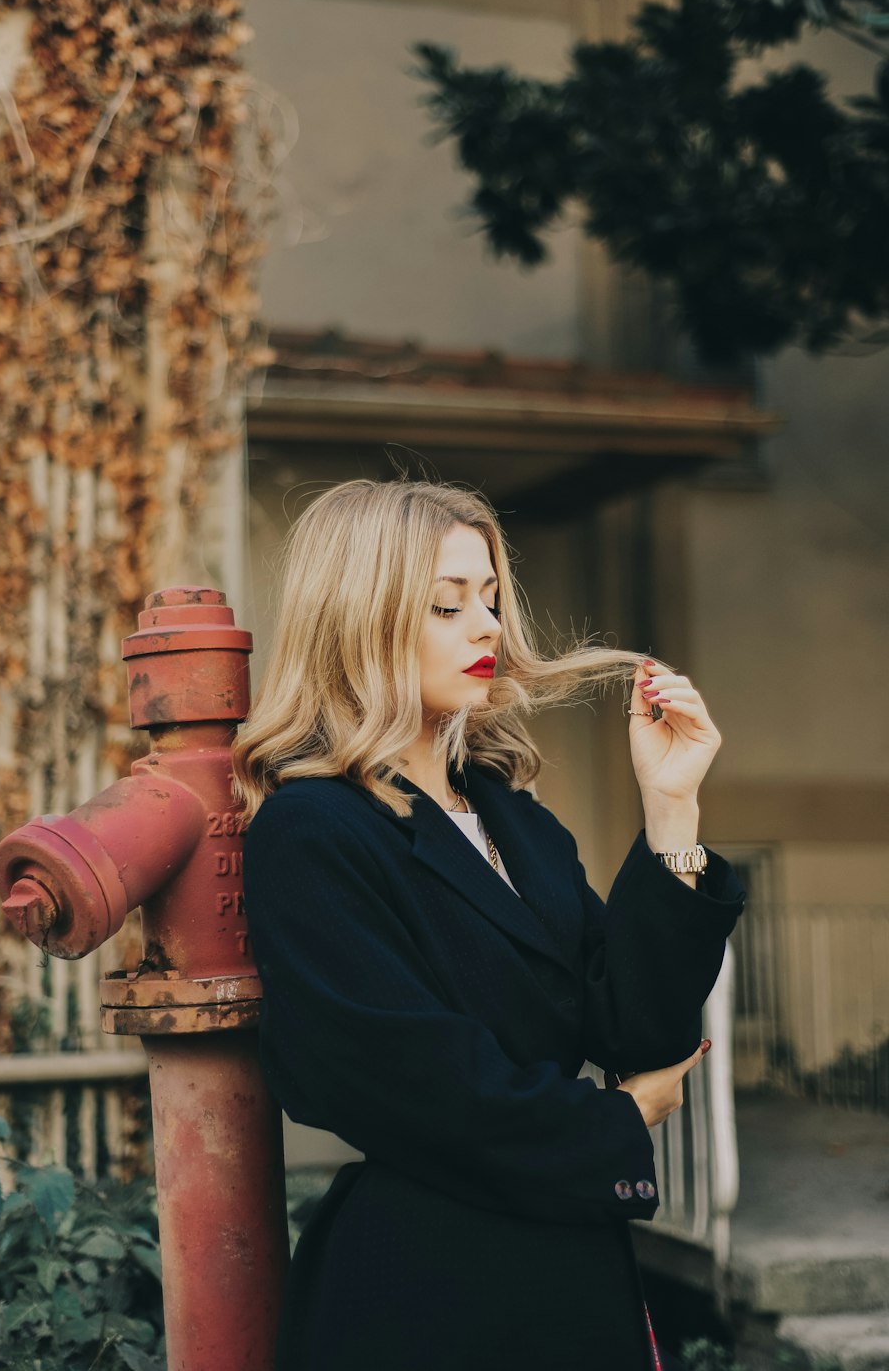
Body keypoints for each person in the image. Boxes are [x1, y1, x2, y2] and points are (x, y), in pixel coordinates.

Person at [233, 478, 746, 1371]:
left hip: (571, 1270)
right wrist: (615, 1119)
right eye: (447, 603)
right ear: (360, 620)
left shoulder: (510, 814)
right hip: (429, 1291)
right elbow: (411, 1081)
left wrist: (671, 810)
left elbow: (631, 1024)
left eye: (493, 598)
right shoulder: (312, 829)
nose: (488, 628)